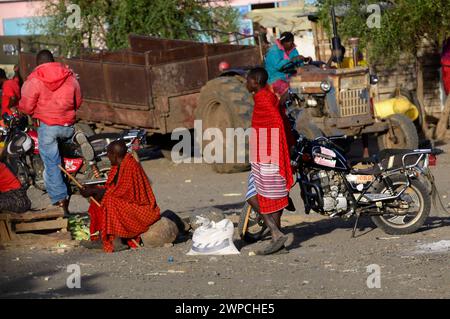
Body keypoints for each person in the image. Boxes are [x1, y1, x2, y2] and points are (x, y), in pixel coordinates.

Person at [18, 49, 91, 216]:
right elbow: (78, 101)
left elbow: (27, 106)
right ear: (53, 60)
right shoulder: (69, 76)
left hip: (48, 127)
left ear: (38, 63)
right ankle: (69, 177)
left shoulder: (35, 79)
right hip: (67, 125)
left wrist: (28, 110)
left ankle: (61, 202)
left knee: (51, 164)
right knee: (61, 158)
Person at [80, 140, 161, 253]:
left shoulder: (131, 166)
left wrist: (94, 191)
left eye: (108, 154)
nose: (107, 157)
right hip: (128, 204)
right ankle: (102, 237)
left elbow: (123, 193)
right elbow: (112, 188)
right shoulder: (118, 165)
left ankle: (118, 240)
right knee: (101, 199)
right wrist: (92, 191)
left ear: (114, 155)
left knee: (111, 200)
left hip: (143, 210)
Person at [245, 67, 294, 255]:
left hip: (268, 153)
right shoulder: (264, 96)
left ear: (255, 81)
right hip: (264, 152)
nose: (245, 83)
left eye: (248, 80)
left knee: (256, 196)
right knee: (270, 196)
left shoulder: (264, 98)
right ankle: (278, 242)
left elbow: (277, 122)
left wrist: (278, 149)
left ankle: (275, 233)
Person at [264, 32, 310, 98]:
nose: (291, 43)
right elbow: (279, 67)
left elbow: (299, 64)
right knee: (290, 92)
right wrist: (291, 60)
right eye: (288, 42)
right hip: (275, 78)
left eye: (292, 41)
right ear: (282, 42)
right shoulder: (274, 51)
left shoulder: (293, 49)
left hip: (289, 77)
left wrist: (304, 60)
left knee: (305, 85)